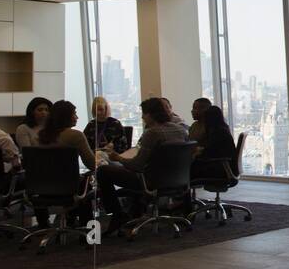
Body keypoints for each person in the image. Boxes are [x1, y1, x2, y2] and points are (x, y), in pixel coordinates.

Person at [96, 98, 189, 232]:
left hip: (151, 181)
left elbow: (137, 165)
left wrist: (118, 158)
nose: (142, 117)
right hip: (177, 180)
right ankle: (136, 209)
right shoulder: (181, 131)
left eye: (144, 113)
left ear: (151, 114)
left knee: (103, 171)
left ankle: (118, 214)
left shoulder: (152, 133)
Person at [37, 100, 98, 171]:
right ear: (66, 116)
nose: (77, 117)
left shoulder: (42, 134)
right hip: (70, 179)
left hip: (44, 179)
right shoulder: (76, 135)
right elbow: (92, 165)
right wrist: (102, 157)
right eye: (74, 114)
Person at [192, 105, 236, 180]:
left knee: (188, 170)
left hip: (220, 168)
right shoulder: (223, 128)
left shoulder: (217, 132)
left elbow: (211, 152)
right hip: (227, 166)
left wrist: (198, 152)